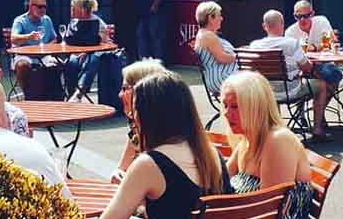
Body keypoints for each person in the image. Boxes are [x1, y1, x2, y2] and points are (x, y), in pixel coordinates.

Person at [101, 72, 231, 219]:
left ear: (147, 116)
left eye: (135, 108)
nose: (132, 114)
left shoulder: (148, 164)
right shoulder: (212, 155)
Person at [221, 71, 313, 219]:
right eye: (225, 105)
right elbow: (220, 181)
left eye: (235, 107)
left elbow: (267, 209)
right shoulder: (247, 141)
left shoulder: (278, 141)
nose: (226, 113)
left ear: (255, 107)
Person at [250, 10, 333, 142]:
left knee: (273, 84)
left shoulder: (254, 45)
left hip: (266, 92)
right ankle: (317, 129)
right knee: (321, 85)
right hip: (291, 90)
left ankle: (276, 129)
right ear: (282, 24)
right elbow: (307, 67)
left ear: (264, 26)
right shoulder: (291, 43)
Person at [112, 59, 169, 184]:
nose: (120, 95)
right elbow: (122, 169)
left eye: (124, 88)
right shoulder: (137, 129)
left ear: (143, 91)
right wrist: (118, 174)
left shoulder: (167, 136)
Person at [284, 0, 343, 96]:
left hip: (323, 63)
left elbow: (332, 41)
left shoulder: (321, 21)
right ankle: (318, 101)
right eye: (298, 17)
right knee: (330, 77)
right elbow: (290, 58)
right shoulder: (290, 32)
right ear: (294, 16)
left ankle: (318, 102)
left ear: (312, 14)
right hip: (302, 68)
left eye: (306, 16)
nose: (302, 20)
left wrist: (315, 47)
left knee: (334, 74)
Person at [63, 0, 113, 103]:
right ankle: (71, 94)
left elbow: (105, 42)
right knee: (71, 62)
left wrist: (86, 51)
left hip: (96, 53)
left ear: (81, 9)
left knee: (92, 62)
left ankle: (79, 93)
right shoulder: (74, 22)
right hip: (76, 53)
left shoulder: (97, 22)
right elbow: (67, 40)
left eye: (73, 7)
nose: (71, 9)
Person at [9, 0, 57, 98]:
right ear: (31, 7)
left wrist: (46, 47)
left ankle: (55, 97)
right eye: (40, 7)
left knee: (59, 64)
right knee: (22, 65)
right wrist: (28, 37)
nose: (43, 10)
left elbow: (54, 39)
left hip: (43, 54)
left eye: (45, 7)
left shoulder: (47, 20)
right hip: (25, 55)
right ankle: (28, 96)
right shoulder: (20, 21)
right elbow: (13, 38)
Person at [194, 1, 238, 96]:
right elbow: (222, 58)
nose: (221, 18)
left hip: (219, 77)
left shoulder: (205, 34)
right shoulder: (208, 36)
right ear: (210, 18)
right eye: (219, 15)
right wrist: (241, 56)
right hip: (221, 79)